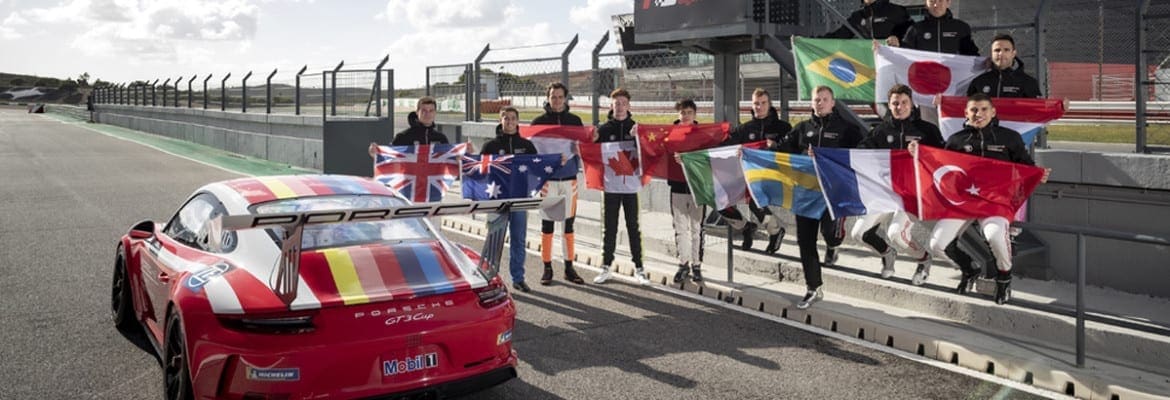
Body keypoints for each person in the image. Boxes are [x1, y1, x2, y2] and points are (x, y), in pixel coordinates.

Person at [915, 94, 1050, 305]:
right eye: (974, 110)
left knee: (995, 236)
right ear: (966, 113)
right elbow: (939, 164)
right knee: (936, 244)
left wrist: (1038, 173)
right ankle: (969, 268)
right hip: (962, 201)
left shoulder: (1009, 137)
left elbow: (1026, 166)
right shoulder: (956, 140)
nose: (979, 114)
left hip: (995, 201)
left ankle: (1004, 277)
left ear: (993, 112)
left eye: (984, 109)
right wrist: (917, 153)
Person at [779, 86, 864, 309]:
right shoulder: (802, 129)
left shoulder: (847, 130)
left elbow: (864, 150)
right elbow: (780, 151)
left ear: (833, 103)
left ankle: (834, 244)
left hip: (832, 194)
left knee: (830, 234)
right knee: (805, 242)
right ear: (812, 103)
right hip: (805, 194)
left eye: (825, 99)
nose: (820, 103)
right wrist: (751, 152)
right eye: (817, 99)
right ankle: (813, 288)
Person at [854, 84, 943, 284]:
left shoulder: (927, 130)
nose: (899, 107)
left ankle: (924, 259)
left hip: (913, 192)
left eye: (904, 103)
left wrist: (923, 152)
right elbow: (861, 151)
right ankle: (887, 254)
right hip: (886, 191)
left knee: (896, 233)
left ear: (912, 104)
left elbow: (943, 158)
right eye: (895, 103)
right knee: (858, 233)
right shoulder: (880, 130)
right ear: (889, 105)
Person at [721, 88, 791, 252]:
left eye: (763, 103)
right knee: (720, 200)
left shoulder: (783, 127)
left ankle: (775, 231)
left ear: (770, 104)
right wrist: (734, 151)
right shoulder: (745, 129)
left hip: (773, 177)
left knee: (755, 201)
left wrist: (775, 146)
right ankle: (746, 227)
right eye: (756, 103)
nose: (759, 107)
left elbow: (792, 149)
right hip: (746, 177)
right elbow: (724, 147)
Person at [592, 88, 649, 285]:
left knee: (634, 227)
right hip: (611, 187)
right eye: (616, 103)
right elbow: (589, 150)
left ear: (629, 105)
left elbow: (650, 152)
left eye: (623, 103)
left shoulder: (637, 128)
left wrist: (637, 138)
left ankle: (640, 269)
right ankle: (606, 267)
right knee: (610, 228)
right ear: (611, 105)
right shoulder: (604, 130)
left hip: (632, 187)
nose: (620, 107)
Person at [532, 82, 587, 285]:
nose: (556, 100)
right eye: (553, 97)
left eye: (560, 97)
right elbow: (533, 153)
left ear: (566, 98)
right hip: (549, 182)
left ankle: (569, 267)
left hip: (570, 179)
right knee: (547, 224)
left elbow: (585, 147)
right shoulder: (539, 122)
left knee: (568, 225)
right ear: (548, 98)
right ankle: (547, 267)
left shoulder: (575, 121)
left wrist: (581, 150)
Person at [479, 106, 539, 293]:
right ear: (501, 120)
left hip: (519, 199)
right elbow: (479, 170)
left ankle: (518, 278)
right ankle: (487, 277)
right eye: (506, 118)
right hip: (497, 200)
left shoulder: (527, 146)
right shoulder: (490, 146)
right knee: (494, 240)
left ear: (517, 121)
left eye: (513, 118)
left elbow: (538, 167)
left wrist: (556, 161)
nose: (510, 122)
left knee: (518, 239)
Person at [669, 99, 706, 284]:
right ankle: (683, 263)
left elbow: (708, 156)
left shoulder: (702, 133)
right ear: (678, 114)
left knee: (696, 229)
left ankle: (696, 265)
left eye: (689, 112)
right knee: (680, 229)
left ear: (695, 114)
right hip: (677, 186)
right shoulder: (670, 134)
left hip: (697, 188)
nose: (686, 116)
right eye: (682, 113)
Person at [367, 97, 449, 158]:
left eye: (431, 110)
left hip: (434, 181)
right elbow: (389, 157)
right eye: (424, 110)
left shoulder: (441, 138)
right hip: (411, 180)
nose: (427, 114)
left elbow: (450, 160)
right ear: (417, 112)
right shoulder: (403, 136)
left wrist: (458, 159)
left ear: (435, 113)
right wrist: (376, 154)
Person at [966, 34, 1042, 98]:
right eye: (997, 50)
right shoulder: (978, 82)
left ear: (1013, 53)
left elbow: (1037, 111)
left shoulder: (1028, 82)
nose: (1001, 53)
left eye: (1006, 50)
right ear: (991, 54)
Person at [894, 0, 979, 56]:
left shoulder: (960, 27)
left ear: (948, 2)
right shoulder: (915, 29)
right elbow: (905, 54)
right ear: (926, 4)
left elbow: (971, 54)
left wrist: (985, 63)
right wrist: (896, 46)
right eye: (932, 1)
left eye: (940, 0)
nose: (936, 4)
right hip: (924, 78)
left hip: (953, 78)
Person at [825, 0, 912, 45]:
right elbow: (839, 36)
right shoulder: (857, 16)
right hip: (868, 65)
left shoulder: (896, 11)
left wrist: (898, 40)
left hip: (891, 63)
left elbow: (912, 35)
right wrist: (812, 41)